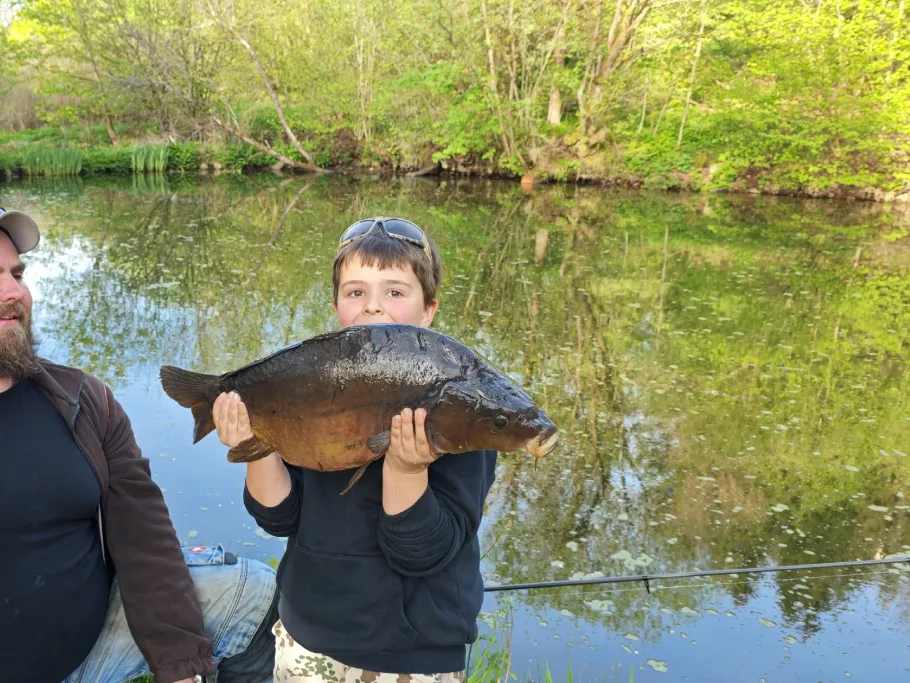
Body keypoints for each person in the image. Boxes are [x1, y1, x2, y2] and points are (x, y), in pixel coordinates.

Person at [212, 217, 498, 683]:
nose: (373, 309)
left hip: (411, 654)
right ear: (337, 307)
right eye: (356, 292)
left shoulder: (462, 408)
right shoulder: (314, 387)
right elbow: (279, 517)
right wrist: (256, 445)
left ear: (429, 310)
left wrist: (407, 470)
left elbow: (424, 556)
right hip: (307, 635)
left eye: (395, 292)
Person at [0, 206, 279, 683]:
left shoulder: (84, 400)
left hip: (89, 650)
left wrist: (181, 663)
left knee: (254, 590)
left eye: (16, 273)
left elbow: (143, 536)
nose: (14, 292)